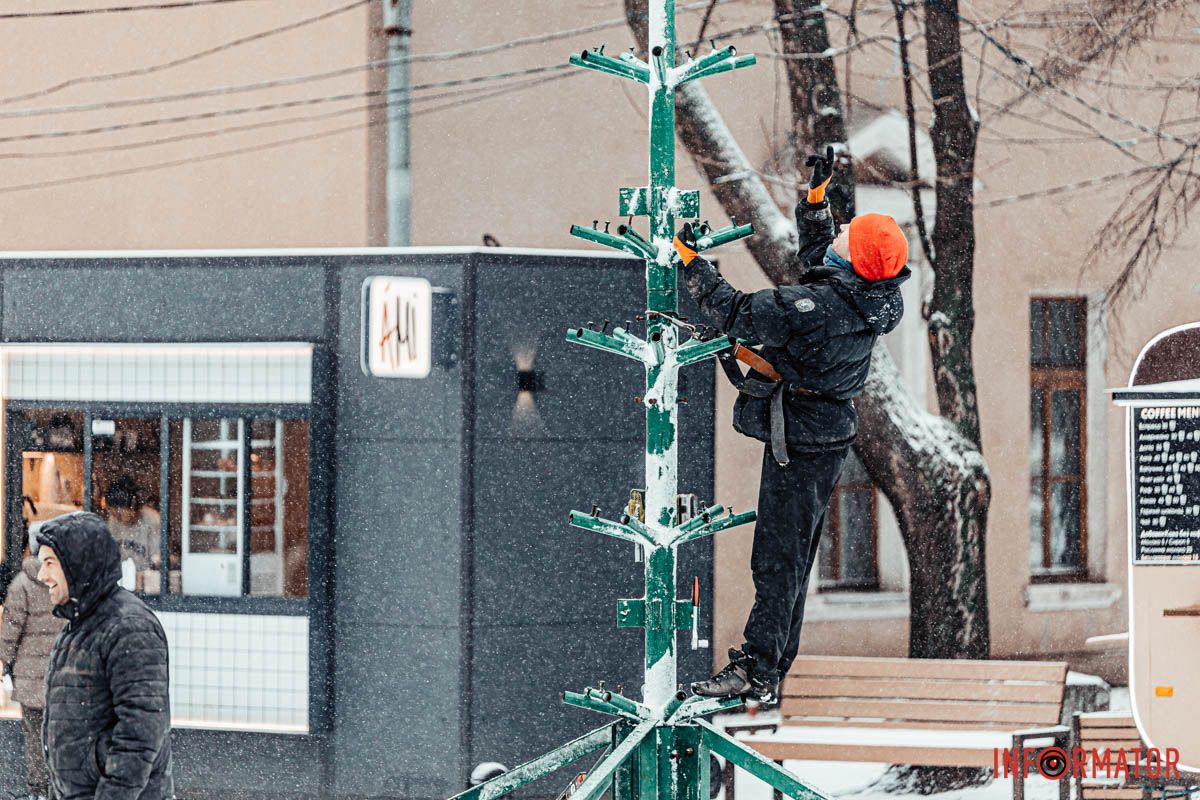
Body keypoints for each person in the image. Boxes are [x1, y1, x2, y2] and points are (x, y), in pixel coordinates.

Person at [676, 147, 910, 702]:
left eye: (849, 237)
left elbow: (735, 311)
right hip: (825, 433)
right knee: (796, 553)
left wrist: (692, 263)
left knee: (778, 556)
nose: (841, 237)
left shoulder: (816, 308)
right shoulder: (871, 296)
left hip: (799, 439)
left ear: (855, 263)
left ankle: (757, 668)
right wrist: (814, 202)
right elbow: (820, 259)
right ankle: (773, 664)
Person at [36, 511, 173, 800]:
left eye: (50, 563)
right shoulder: (78, 626)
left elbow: (141, 733)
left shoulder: (129, 627)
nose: (41, 576)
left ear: (77, 564)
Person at [0, 527, 65, 800]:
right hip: (62, 673)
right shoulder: (64, 581)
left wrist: (4, 662)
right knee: (62, 735)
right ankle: (60, 786)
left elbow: (10, 632)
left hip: (30, 675)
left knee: (35, 735)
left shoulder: (21, 584)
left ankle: (39, 789)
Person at [104, 477, 162, 591]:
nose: (117, 518)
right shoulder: (113, 521)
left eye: (120, 514)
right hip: (119, 583)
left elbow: (158, 558)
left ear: (133, 506)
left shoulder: (152, 520)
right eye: (113, 513)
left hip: (145, 584)